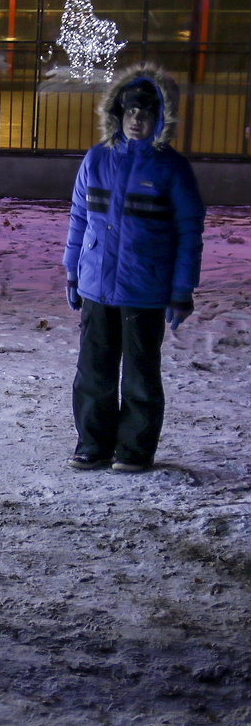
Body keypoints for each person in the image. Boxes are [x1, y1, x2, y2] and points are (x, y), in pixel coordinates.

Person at [63, 64, 205, 473]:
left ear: (160, 118)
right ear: (117, 115)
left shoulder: (171, 168)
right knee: (94, 372)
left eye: (145, 113)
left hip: (144, 289)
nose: (137, 120)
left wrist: (182, 290)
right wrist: (72, 270)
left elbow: (189, 231)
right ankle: (93, 445)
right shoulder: (96, 159)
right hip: (96, 286)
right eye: (130, 112)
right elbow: (78, 217)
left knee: (141, 376)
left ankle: (134, 450)